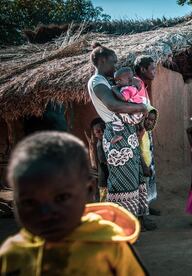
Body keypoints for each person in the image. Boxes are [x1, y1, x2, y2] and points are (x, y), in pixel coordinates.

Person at [0, 132, 148, 275]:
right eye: (29, 202)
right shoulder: (11, 254)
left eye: (61, 198)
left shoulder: (109, 245)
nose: (45, 214)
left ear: (88, 192)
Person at [87, 42, 151, 230]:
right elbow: (114, 106)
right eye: (113, 62)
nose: (115, 67)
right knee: (123, 182)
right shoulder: (97, 82)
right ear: (103, 60)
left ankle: (131, 223)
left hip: (124, 135)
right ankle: (121, 227)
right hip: (117, 137)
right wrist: (141, 107)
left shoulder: (104, 82)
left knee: (132, 178)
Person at [134, 56, 161, 220]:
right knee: (143, 170)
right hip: (139, 135)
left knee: (149, 170)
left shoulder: (142, 85)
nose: (154, 72)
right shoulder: (136, 84)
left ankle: (147, 207)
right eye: (152, 69)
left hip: (145, 134)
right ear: (142, 69)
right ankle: (141, 214)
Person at [91, 118, 109, 202]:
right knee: (105, 202)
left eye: (103, 129)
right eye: (98, 131)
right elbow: (104, 162)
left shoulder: (106, 142)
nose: (102, 133)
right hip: (105, 181)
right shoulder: (100, 145)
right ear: (94, 134)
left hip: (106, 179)